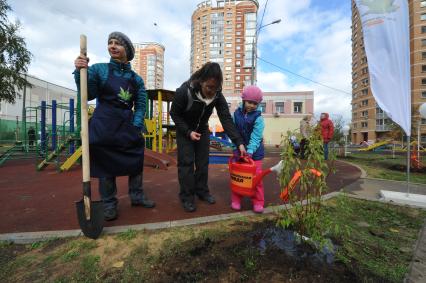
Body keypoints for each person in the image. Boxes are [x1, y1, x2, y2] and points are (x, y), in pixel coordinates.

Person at [73, 31, 155, 221]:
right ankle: (109, 204)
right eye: (110, 43)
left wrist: (136, 127)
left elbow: (141, 105)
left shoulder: (136, 79)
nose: (112, 46)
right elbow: (88, 93)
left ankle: (137, 196)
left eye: (117, 43)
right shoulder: (99, 70)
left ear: (127, 50)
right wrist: (80, 72)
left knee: (136, 158)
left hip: (127, 125)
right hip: (104, 125)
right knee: (105, 166)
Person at [170, 62, 247, 213]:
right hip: (185, 130)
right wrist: (187, 132)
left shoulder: (217, 95)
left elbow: (226, 118)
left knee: (203, 163)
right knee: (186, 163)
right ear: (201, 81)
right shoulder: (184, 91)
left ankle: (202, 191)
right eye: (209, 87)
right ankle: (187, 197)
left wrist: (239, 142)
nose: (212, 91)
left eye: (216, 88)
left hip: (202, 130)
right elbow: (175, 114)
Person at [231, 85, 265, 213]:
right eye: (249, 102)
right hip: (239, 151)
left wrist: (250, 151)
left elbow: (256, 137)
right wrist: (235, 147)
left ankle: (258, 201)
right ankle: (236, 199)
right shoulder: (236, 114)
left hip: (255, 153)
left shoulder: (258, 118)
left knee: (256, 178)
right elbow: (233, 132)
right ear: (244, 100)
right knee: (238, 176)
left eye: (255, 103)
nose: (251, 105)